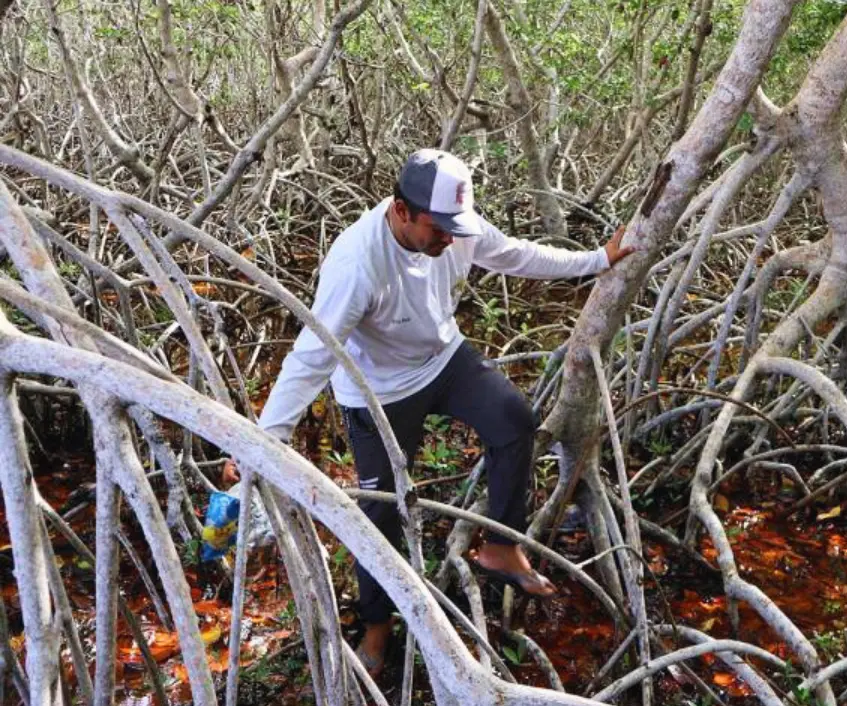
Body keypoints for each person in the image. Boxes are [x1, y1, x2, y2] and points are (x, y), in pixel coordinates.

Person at [221, 148, 634, 674]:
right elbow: (311, 356)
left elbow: (512, 254)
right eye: (437, 229)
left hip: (443, 358)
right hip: (379, 391)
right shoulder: (356, 264)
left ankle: (502, 547)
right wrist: (264, 441)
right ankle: (376, 627)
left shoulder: (455, 228)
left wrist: (597, 260)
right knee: (382, 512)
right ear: (400, 209)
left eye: (454, 228)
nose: (449, 239)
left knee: (514, 421)